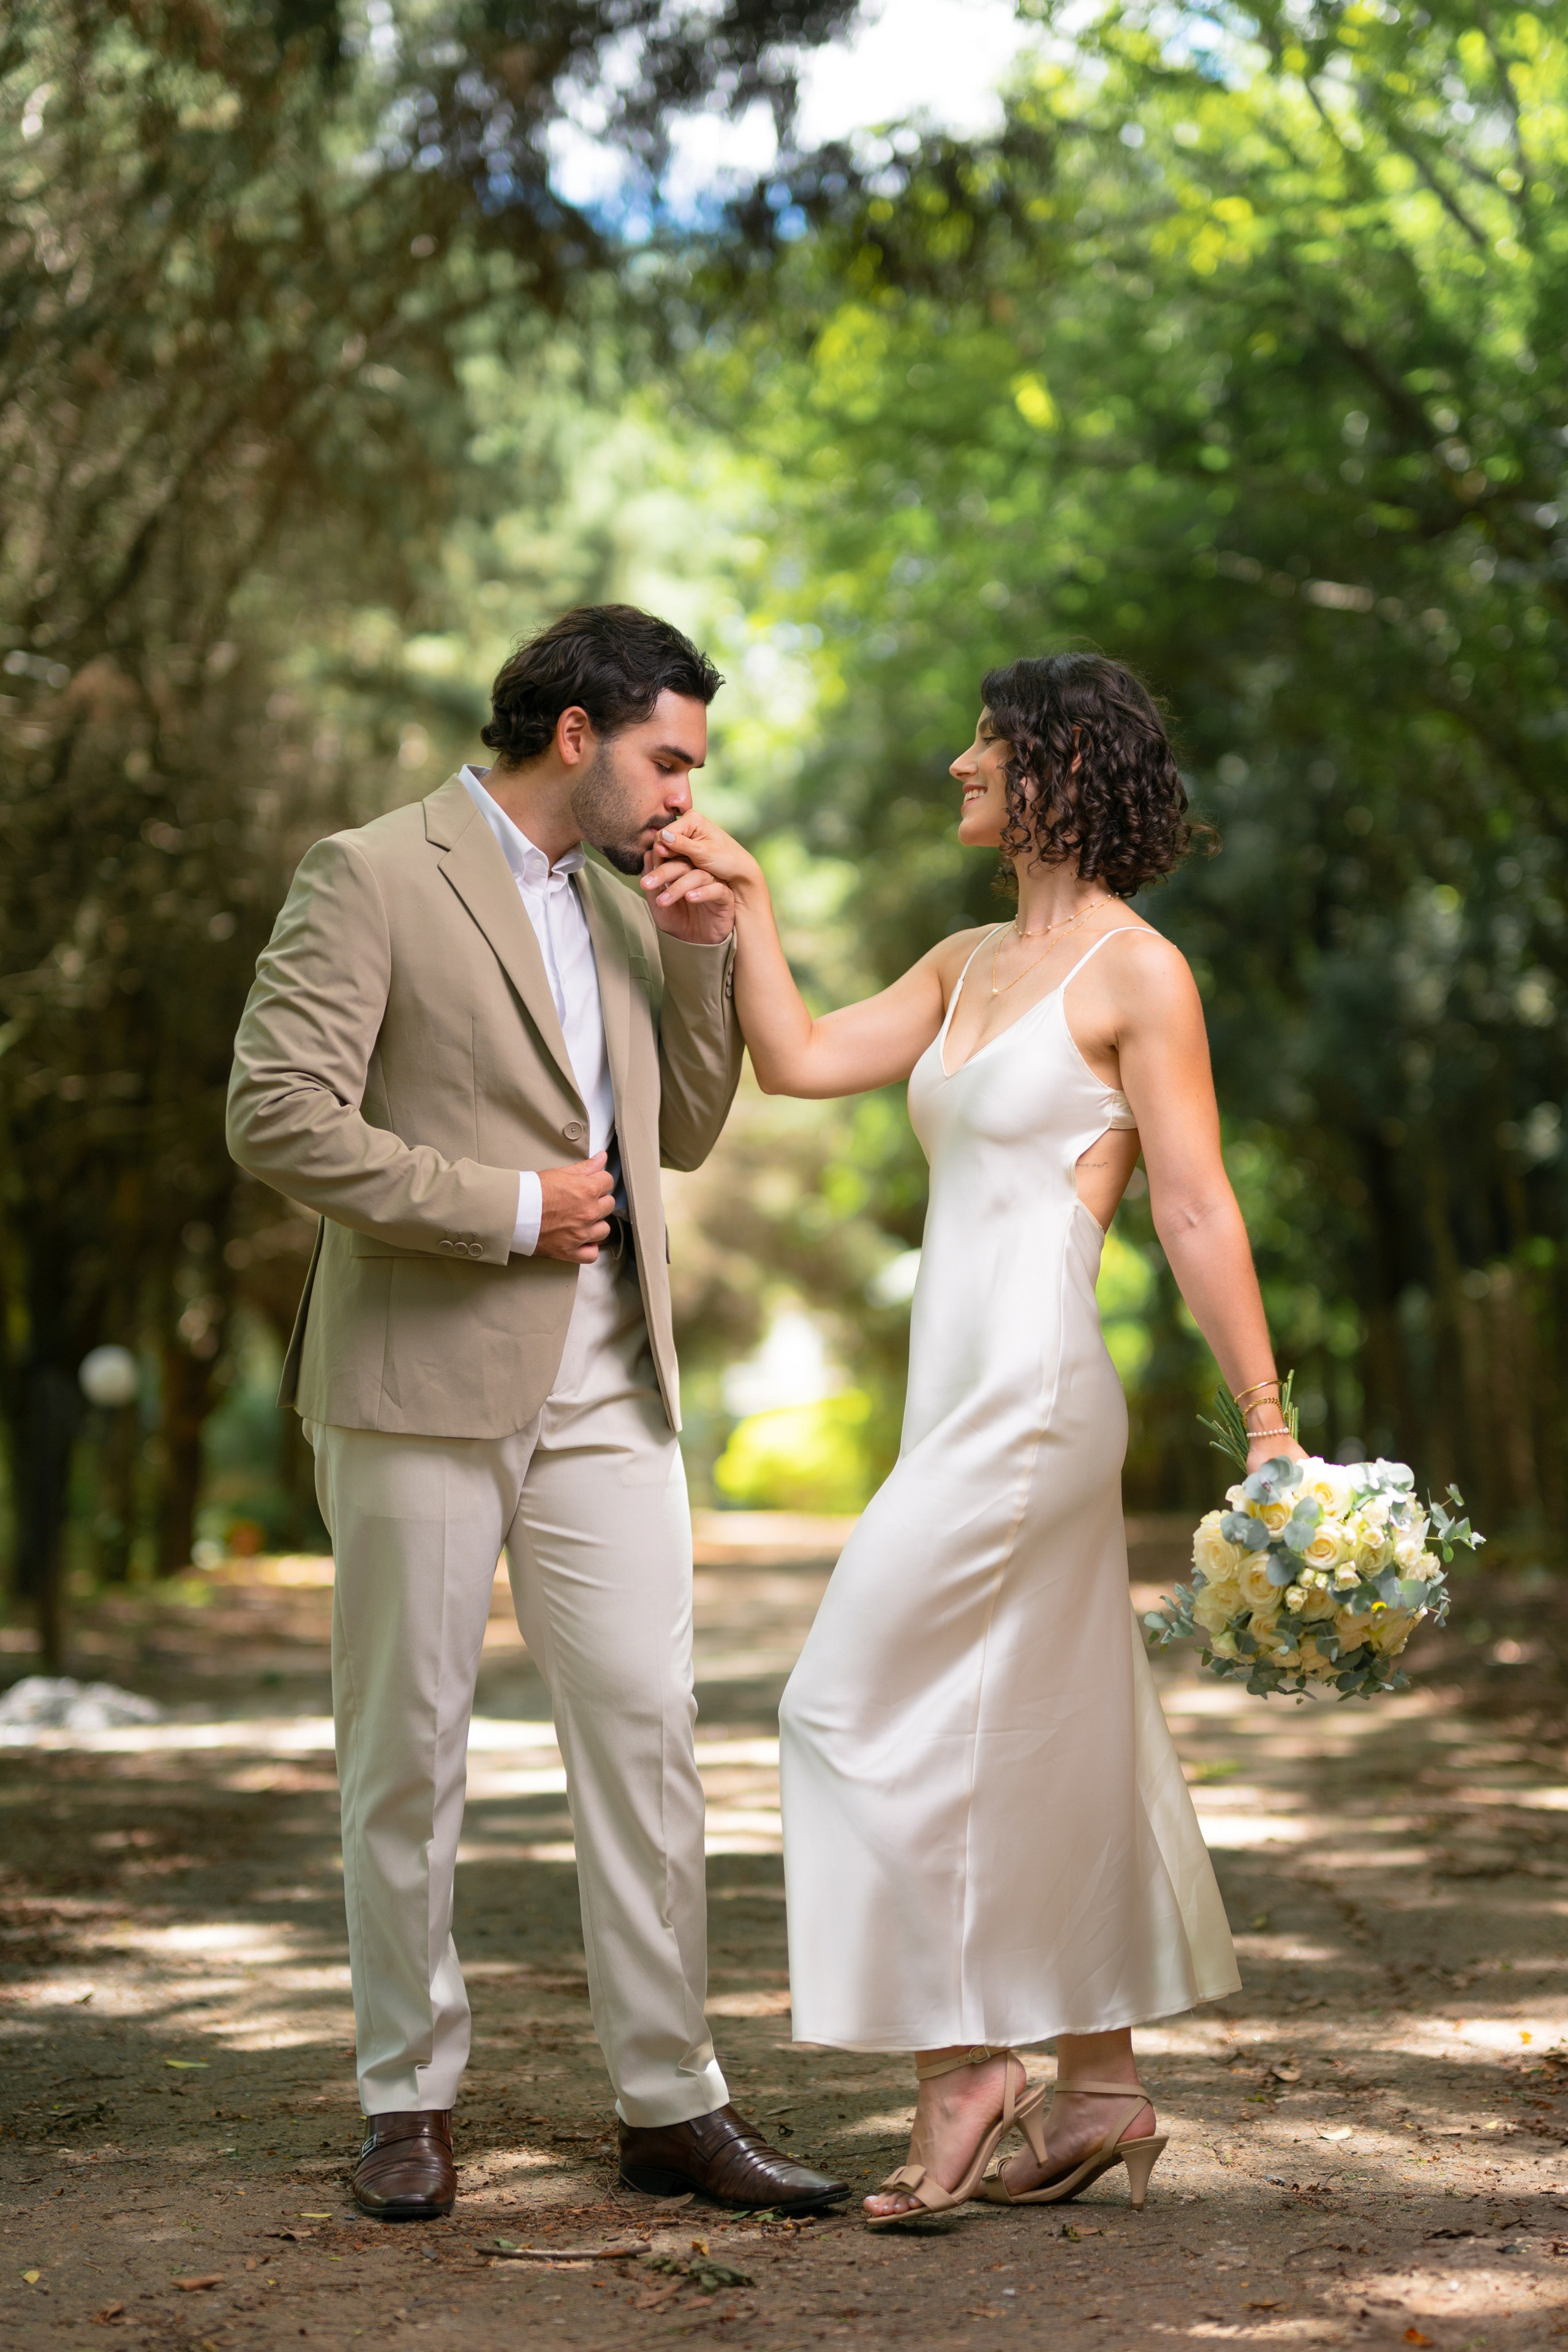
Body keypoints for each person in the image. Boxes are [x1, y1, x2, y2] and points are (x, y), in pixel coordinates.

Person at [643, 650, 1305, 2225]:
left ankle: (960, 2063)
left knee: (838, 1703)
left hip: (1029, 1395)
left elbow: (1193, 1200)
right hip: (960, 1395)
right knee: (1055, 1726)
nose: (957, 764)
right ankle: (1097, 2086)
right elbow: (800, 1060)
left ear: (1055, 774)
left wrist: (1267, 1423)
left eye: (985, 748)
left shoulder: (1138, 974)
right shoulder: (960, 961)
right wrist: (741, 901)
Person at [226, 605, 845, 2223]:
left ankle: (670, 2103)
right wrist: (502, 1207)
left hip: (612, 1387)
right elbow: (275, 1112)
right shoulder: (368, 872)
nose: (684, 797)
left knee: (647, 1738)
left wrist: (706, 949)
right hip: (418, 1375)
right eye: (669, 759)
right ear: (578, 733)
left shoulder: (645, 907)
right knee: (409, 1750)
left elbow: (693, 1132)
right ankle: (407, 2098)